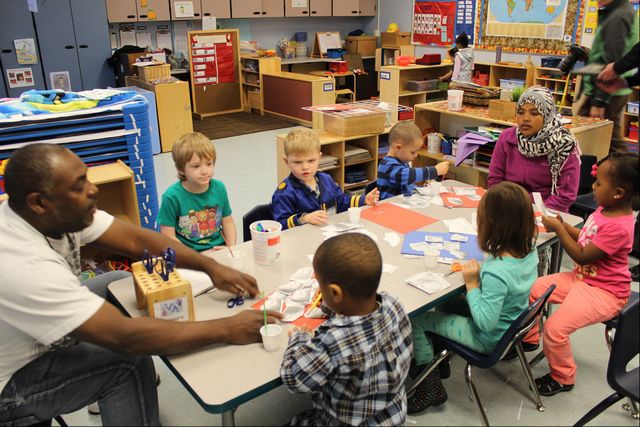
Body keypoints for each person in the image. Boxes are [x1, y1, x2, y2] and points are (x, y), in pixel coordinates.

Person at [0, 144, 281, 425]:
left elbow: (137, 240)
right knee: (129, 362)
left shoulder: (57, 212)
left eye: (86, 177)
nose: (93, 189)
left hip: (31, 332)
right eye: (79, 185)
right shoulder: (23, 264)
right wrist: (227, 328)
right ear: (38, 202)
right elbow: (125, 336)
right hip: (14, 379)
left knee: (117, 282)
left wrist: (212, 267)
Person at [407, 182, 539, 414]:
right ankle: (440, 361)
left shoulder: (497, 271)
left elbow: (484, 322)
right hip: (510, 324)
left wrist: (472, 284)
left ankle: (429, 384)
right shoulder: (530, 249)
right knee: (446, 301)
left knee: (420, 320)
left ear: (492, 225)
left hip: (489, 337)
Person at [520, 152, 638, 397]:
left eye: (598, 183)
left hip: (605, 292)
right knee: (535, 289)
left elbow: (583, 255)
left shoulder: (619, 227)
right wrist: (564, 226)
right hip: (582, 279)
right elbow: (586, 240)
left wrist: (558, 231)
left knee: (555, 328)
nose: (592, 187)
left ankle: (562, 377)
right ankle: (530, 338)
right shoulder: (603, 211)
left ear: (618, 193)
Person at [280, 233, 413, 425]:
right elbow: (360, 319)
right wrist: (332, 304)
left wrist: (299, 336)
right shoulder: (393, 303)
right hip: (392, 416)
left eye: (320, 285)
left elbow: (293, 377)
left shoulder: (332, 340)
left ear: (335, 292)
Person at [489, 86, 580, 275]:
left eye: (534, 113)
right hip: (508, 211)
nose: (525, 118)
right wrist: (506, 209)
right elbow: (495, 180)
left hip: (546, 216)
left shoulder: (563, 145)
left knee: (532, 270)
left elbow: (565, 195)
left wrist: (535, 217)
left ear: (547, 114)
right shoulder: (507, 138)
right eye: (520, 112)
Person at [272, 128, 379, 229]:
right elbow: (281, 224)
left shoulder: (326, 179)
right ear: (286, 161)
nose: (305, 167)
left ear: (319, 158)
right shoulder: (284, 193)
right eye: (297, 162)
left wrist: (363, 199)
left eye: (311, 161)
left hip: (330, 232)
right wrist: (304, 219)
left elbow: (342, 201)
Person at [573, 0, 638, 152]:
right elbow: (609, 52)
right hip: (610, 87)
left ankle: (625, 173)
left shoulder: (618, 16)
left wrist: (598, 101)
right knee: (602, 138)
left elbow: (611, 61)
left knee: (605, 140)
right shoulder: (617, 11)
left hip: (607, 89)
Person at [158, 132, 236, 252]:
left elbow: (228, 221)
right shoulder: (171, 197)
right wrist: (193, 257)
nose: (205, 171)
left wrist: (231, 248)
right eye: (196, 166)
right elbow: (168, 236)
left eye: (209, 164)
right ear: (181, 169)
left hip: (218, 250)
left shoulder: (219, 188)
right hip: (188, 256)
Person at [377, 121, 449, 200]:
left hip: (402, 204)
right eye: (412, 152)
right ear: (398, 148)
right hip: (388, 207)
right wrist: (434, 171)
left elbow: (407, 185)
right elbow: (406, 176)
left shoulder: (403, 162)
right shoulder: (387, 165)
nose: (416, 155)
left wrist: (421, 187)